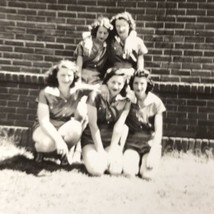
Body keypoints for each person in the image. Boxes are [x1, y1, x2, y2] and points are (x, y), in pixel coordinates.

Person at [32, 59, 89, 165]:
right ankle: (38, 150)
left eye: (69, 75)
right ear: (56, 75)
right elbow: (44, 122)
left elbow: (97, 89)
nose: (66, 79)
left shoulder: (77, 91)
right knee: (47, 144)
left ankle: (62, 154)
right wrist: (58, 140)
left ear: (74, 76)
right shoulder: (45, 93)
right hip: (44, 128)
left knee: (76, 127)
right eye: (62, 75)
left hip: (63, 127)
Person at [81, 66, 131, 176]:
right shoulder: (94, 96)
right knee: (97, 171)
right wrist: (100, 150)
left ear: (124, 85)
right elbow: (93, 125)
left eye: (119, 83)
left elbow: (119, 127)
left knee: (116, 170)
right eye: (113, 82)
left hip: (110, 141)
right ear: (107, 82)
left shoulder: (126, 101)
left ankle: (109, 155)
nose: (116, 86)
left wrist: (112, 150)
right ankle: (90, 156)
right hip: (91, 140)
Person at [122, 70, 166, 180]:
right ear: (132, 84)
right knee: (129, 173)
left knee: (148, 176)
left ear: (148, 84)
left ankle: (145, 161)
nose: (139, 87)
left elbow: (158, 131)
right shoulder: (128, 100)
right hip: (132, 144)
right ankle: (135, 162)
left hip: (149, 145)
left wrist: (153, 152)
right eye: (136, 83)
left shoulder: (156, 102)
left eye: (142, 83)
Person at [74, 16, 113, 85]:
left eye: (105, 33)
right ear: (96, 31)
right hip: (83, 74)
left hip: (97, 78)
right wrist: (78, 79)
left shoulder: (108, 46)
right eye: (100, 32)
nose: (102, 35)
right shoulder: (85, 43)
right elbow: (79, 64)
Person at [108, 11, 148, 76]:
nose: (121, 29)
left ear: (129, 26)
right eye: (118, 26)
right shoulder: (111, 40)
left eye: (124, 25)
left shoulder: (137, 41)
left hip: (130, 74)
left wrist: (139, 72)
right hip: (115, 74)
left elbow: (140, 59)